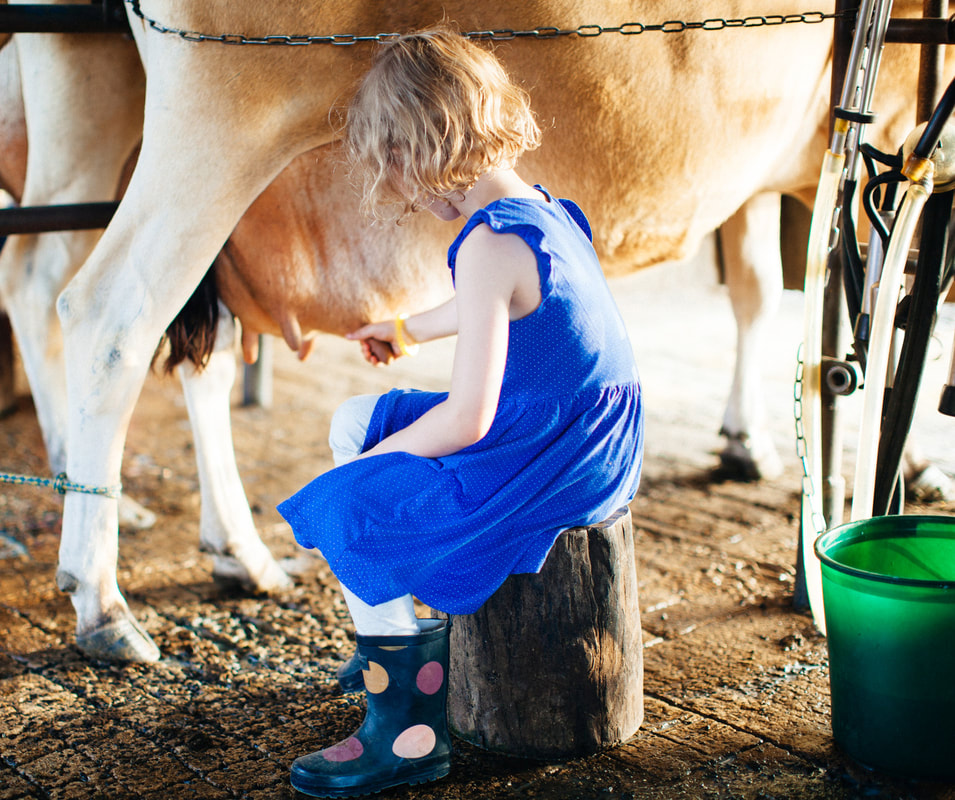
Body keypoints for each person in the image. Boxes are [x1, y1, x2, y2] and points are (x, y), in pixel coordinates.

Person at [277, 24, 643, 798]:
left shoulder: (484, 244)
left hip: (555, 456)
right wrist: (406, 329)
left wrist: (374, 471)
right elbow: (497, 307)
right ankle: (397, 631)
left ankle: (405, 729)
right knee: (355, 418)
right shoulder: (540, 210)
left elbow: (467, 421)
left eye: (395, 170)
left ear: (419, 150)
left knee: (352, 503)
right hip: (574, 425)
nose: (402, 192)